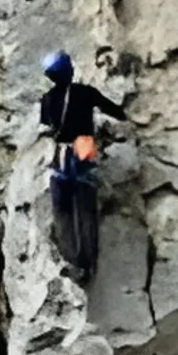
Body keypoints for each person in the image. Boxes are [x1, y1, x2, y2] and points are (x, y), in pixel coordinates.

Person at [39, 50, 127, 285]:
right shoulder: (85, 93)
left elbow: (46, 125)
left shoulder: (47, 99)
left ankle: (71, 262)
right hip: (82, 156)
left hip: (59, 159)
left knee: (63, 213)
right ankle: (88, 263)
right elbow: (115, 110)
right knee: (85, 211)